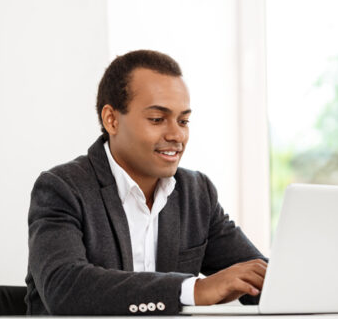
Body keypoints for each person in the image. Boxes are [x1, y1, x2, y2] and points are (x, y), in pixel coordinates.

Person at [25, 50, 268, 315]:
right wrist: (193, 290)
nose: (176, 135)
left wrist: (285, 284)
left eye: (183, 121)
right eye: (157, 119)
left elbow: (257, 275)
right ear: (112, 119)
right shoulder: (62, 188)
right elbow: (66, 289)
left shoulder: (196, 193)